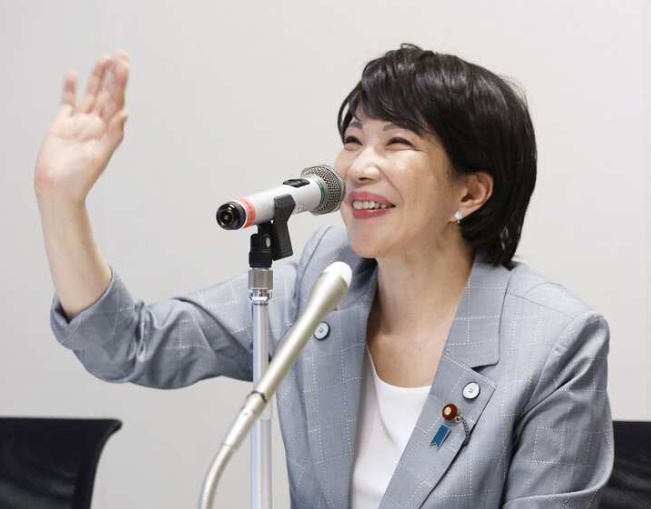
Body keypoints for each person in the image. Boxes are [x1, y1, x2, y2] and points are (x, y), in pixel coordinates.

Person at [35, 44, 613, 508]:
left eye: (397, 142)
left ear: (469, 193)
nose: (358, 167)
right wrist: (62, 201)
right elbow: (128, 344)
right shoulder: (323, 283)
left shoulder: (554, 342)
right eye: (353, 140)